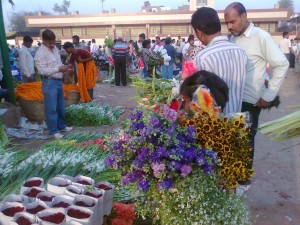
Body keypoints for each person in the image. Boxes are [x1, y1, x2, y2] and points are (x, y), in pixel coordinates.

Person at [224, 2, 289, 193]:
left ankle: (243, 182)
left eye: (233, 21)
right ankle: (233, 177)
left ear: (244, 16)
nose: (229, 26)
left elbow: (281, 64)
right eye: (226, 22)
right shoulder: (232, 39)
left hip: (249, 101)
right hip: (232, 99)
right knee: (232, 141)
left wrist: (269, 95)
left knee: (245, 142)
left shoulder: (261, 37)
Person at [192, 7, 248, 115]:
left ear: (198, 32)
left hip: (215, 126)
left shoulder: (203, 57)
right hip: (236, 122)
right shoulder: (241, 52)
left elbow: (200, 97)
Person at [35, 29, 73, 139]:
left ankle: (62, 126)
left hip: (58, 81)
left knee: (61, 106)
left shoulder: (55, 48)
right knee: (51, 108)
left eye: (53, 42)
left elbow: (59, 62)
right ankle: (53, 130)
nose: (52, 45)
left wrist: (65, 69)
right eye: (50, 43)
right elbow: (42, 70)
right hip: (49, 81)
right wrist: (59, 69)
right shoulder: (40, 53)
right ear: (44, 40)